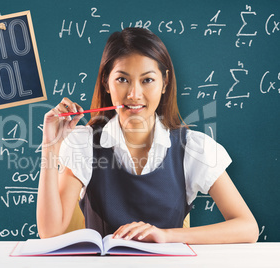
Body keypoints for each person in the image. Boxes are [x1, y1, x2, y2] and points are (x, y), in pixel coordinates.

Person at [37, 27, 259, 244]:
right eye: (122, 79)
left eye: (147, 80)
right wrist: (50, 145)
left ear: (165, 82)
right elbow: (50, 231)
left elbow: (247, 227)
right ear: (106, 82)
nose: (134, 94)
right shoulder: (84, 142)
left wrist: (167, 235)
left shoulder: (192, 147)